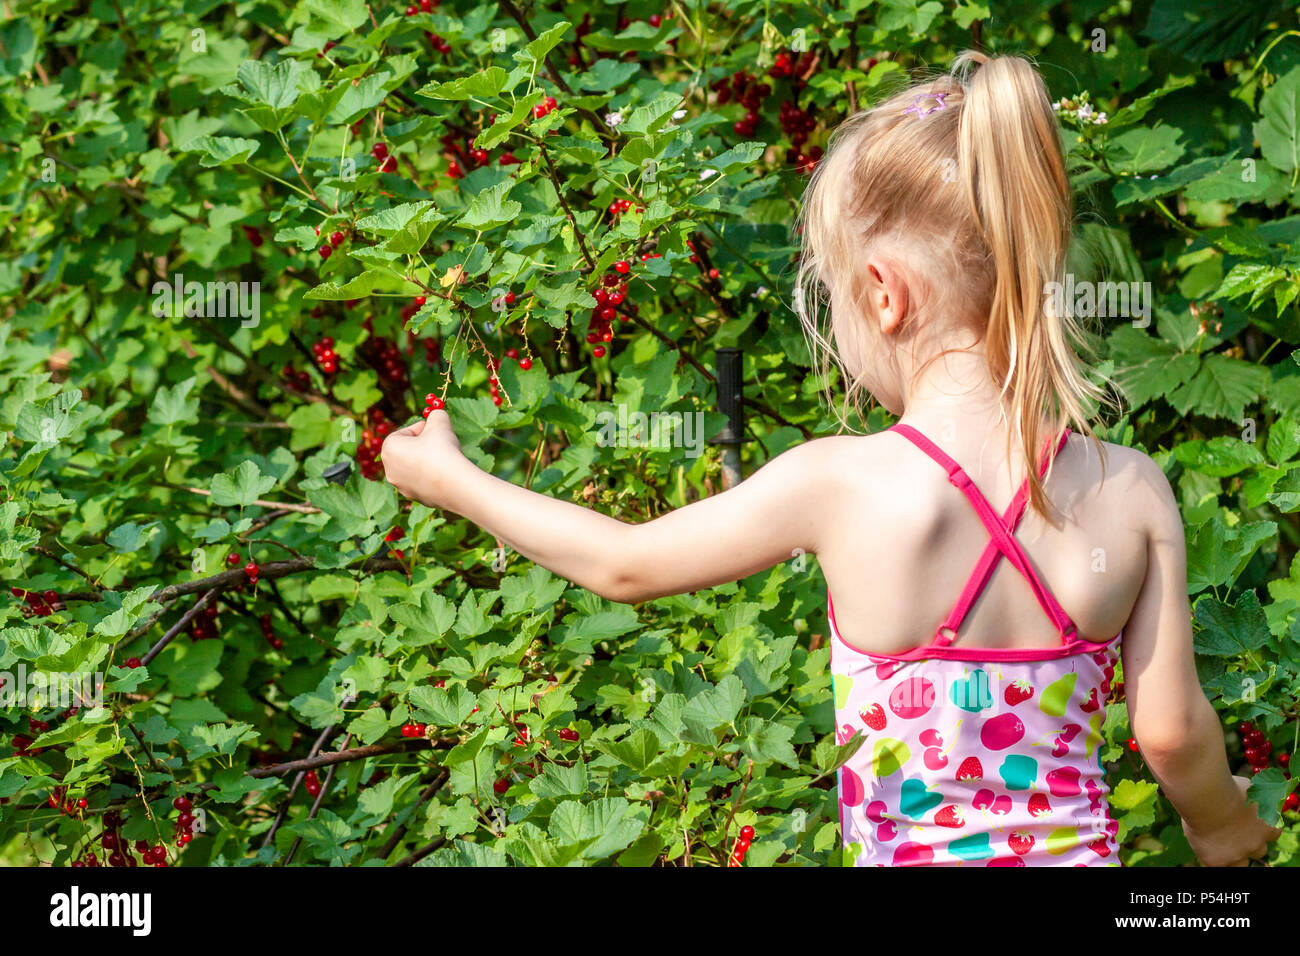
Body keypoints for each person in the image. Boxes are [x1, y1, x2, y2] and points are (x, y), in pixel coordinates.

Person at [380, 50, 1279, 866]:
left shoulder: (840, 483)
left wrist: (455, 481)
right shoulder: (1129, 488)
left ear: (884, 295)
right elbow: (1168, 734)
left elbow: (625, 564)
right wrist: (1221, 826)